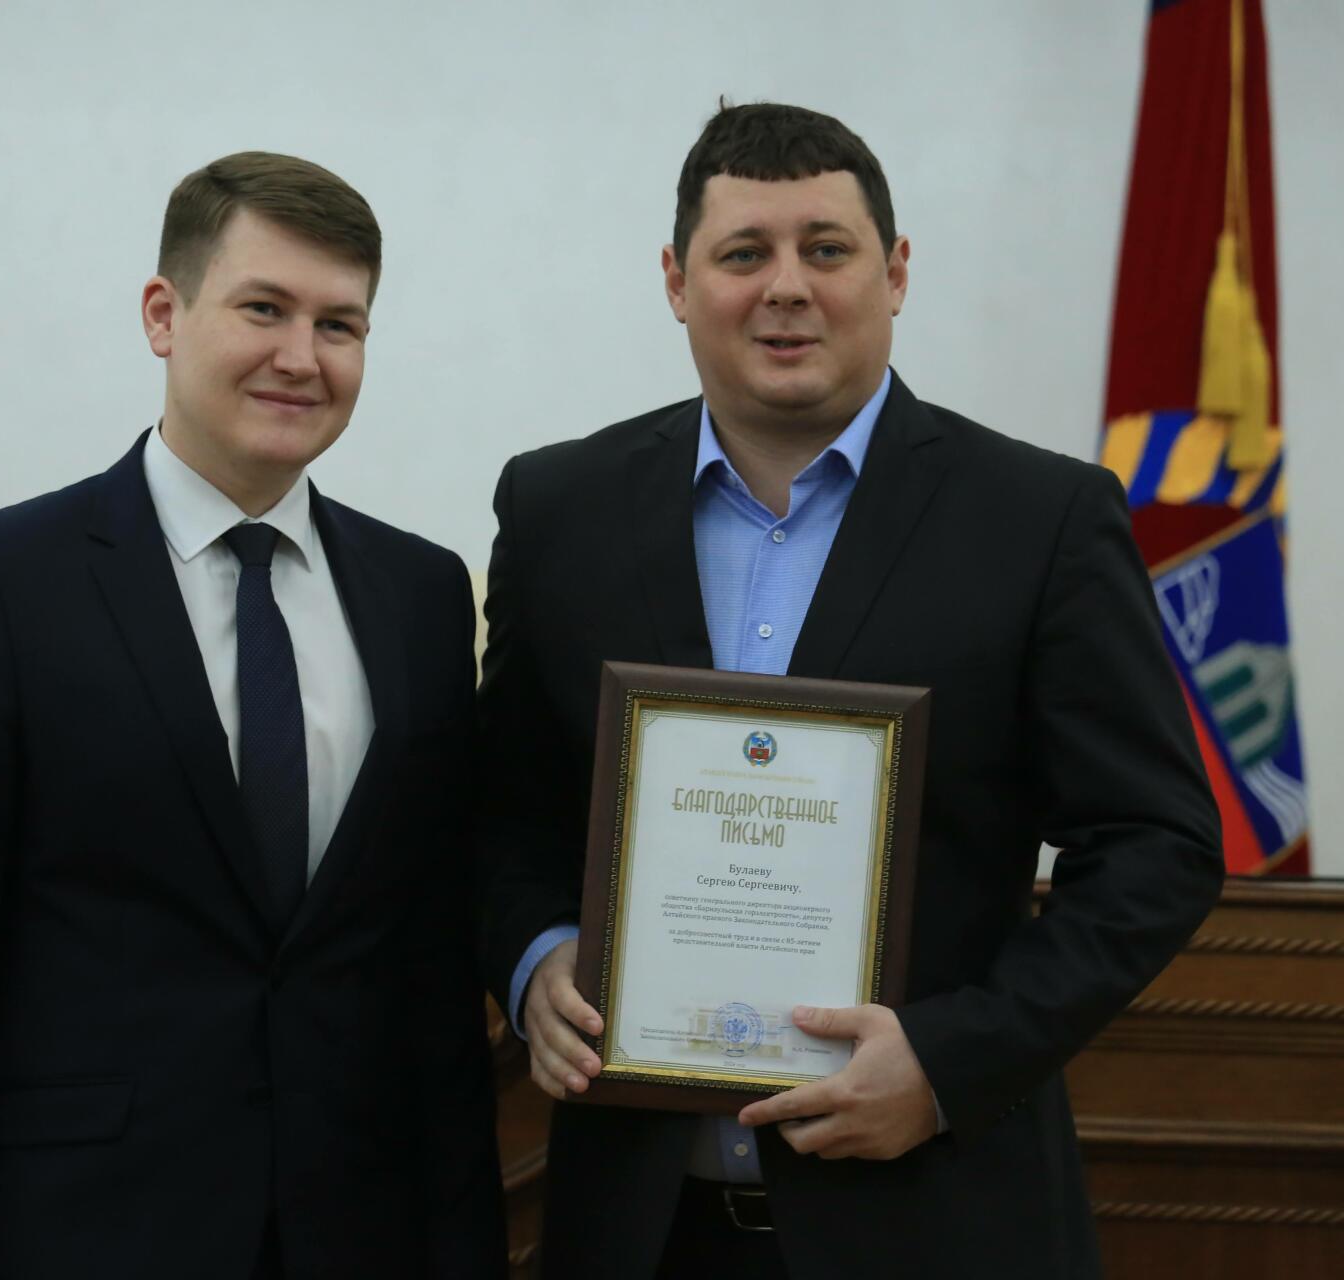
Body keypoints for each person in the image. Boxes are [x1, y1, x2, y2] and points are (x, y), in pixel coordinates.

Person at [478, 103, 1224, 1278]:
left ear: (897, 271)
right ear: (677, 281)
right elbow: (500, 808)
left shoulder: (1041, 520)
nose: (787, 286)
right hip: (639, 1230)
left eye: (826, 248)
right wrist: (535, 960)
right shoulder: (558, 509)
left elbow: (1157, 842)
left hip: (938, 1223)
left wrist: (950, 1058)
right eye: (744, 252)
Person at [0, 152, 504, 1279]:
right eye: (264, 309)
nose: (301, 356)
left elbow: (431, 981)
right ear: (164, 313)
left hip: (360, 1231)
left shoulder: (424, 595)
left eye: (339, 325)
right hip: (86, 1233)